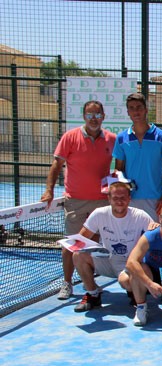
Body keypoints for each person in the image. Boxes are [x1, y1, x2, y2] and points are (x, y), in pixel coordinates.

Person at [41, 100, 115, 300]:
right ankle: (67, 283)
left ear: (103, 117)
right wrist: (49, 191)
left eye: (97, 114)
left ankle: (90, 283)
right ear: (84, 116)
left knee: (94, 246)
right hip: (75, 202)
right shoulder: (70, 137)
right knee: (70, 245)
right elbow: (56, 165)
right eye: (90, 115)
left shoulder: (112, 139)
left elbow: (119, 168)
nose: (94, 119)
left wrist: (117, 184)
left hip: (102, 203)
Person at [71, 182, 155, 312]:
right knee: (78, 255)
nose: (119, 201)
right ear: (109, 198)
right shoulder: (99, 214)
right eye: (115, 198)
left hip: (128, 264)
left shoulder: (141, 216)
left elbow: (157, 236)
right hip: (106, 260)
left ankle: (134, 291)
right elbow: (81, 239)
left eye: (123, 198)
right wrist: (73, 243)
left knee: (126, 282)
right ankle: (93, 295)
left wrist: (158, 229)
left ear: (129, 198)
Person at [113, 93, 162, 220]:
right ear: (128, 112)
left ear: (146, 110)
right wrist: (122, 189)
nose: (136, 111)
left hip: (155, 200)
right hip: (130, 199)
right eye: (131, 108)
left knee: (153, 237)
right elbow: (118, 169)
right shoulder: (121, 138)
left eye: (139, 107)